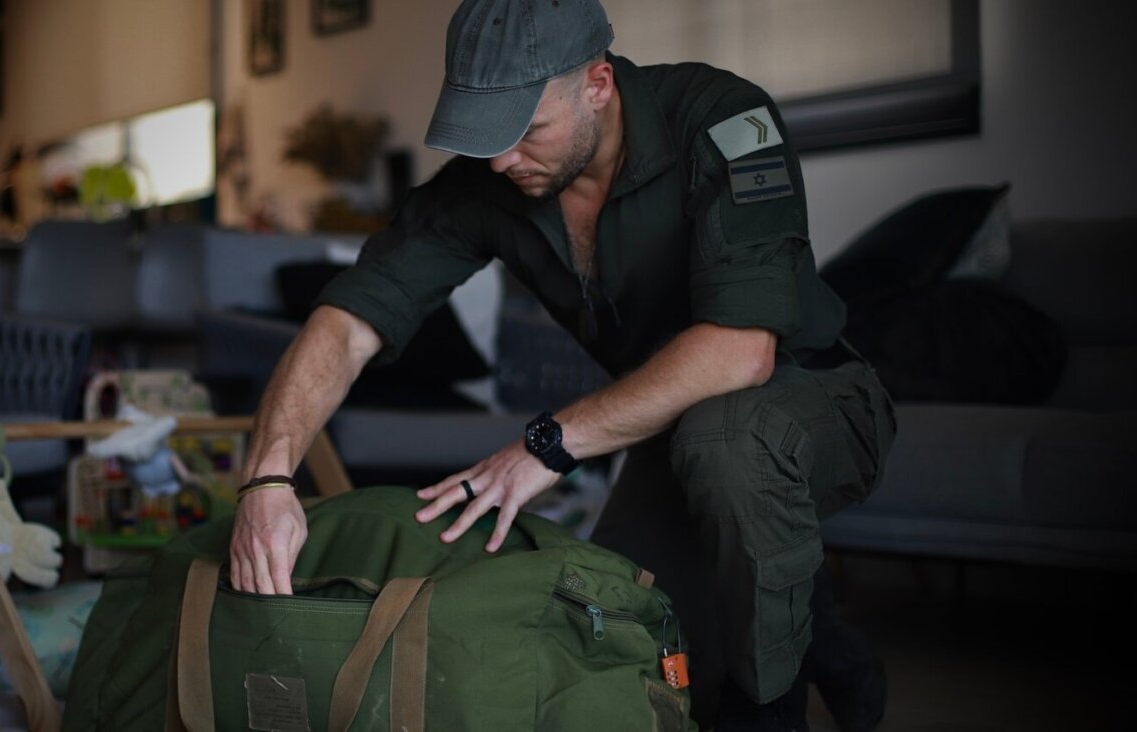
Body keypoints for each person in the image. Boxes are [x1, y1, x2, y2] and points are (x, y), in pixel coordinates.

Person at [229, 1, 896, 729]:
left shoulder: (724, 120)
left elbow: (744, 349)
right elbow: (347, 322)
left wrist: (546, 444)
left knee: (727, 463)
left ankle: (772, 712)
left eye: (525, 131)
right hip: (676, 430)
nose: (500, 159)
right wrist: (268, 475)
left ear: (598, 84)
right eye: (482, 135)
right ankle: (840, 658)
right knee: (615, 626)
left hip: (817, 398)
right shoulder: (488, 182)